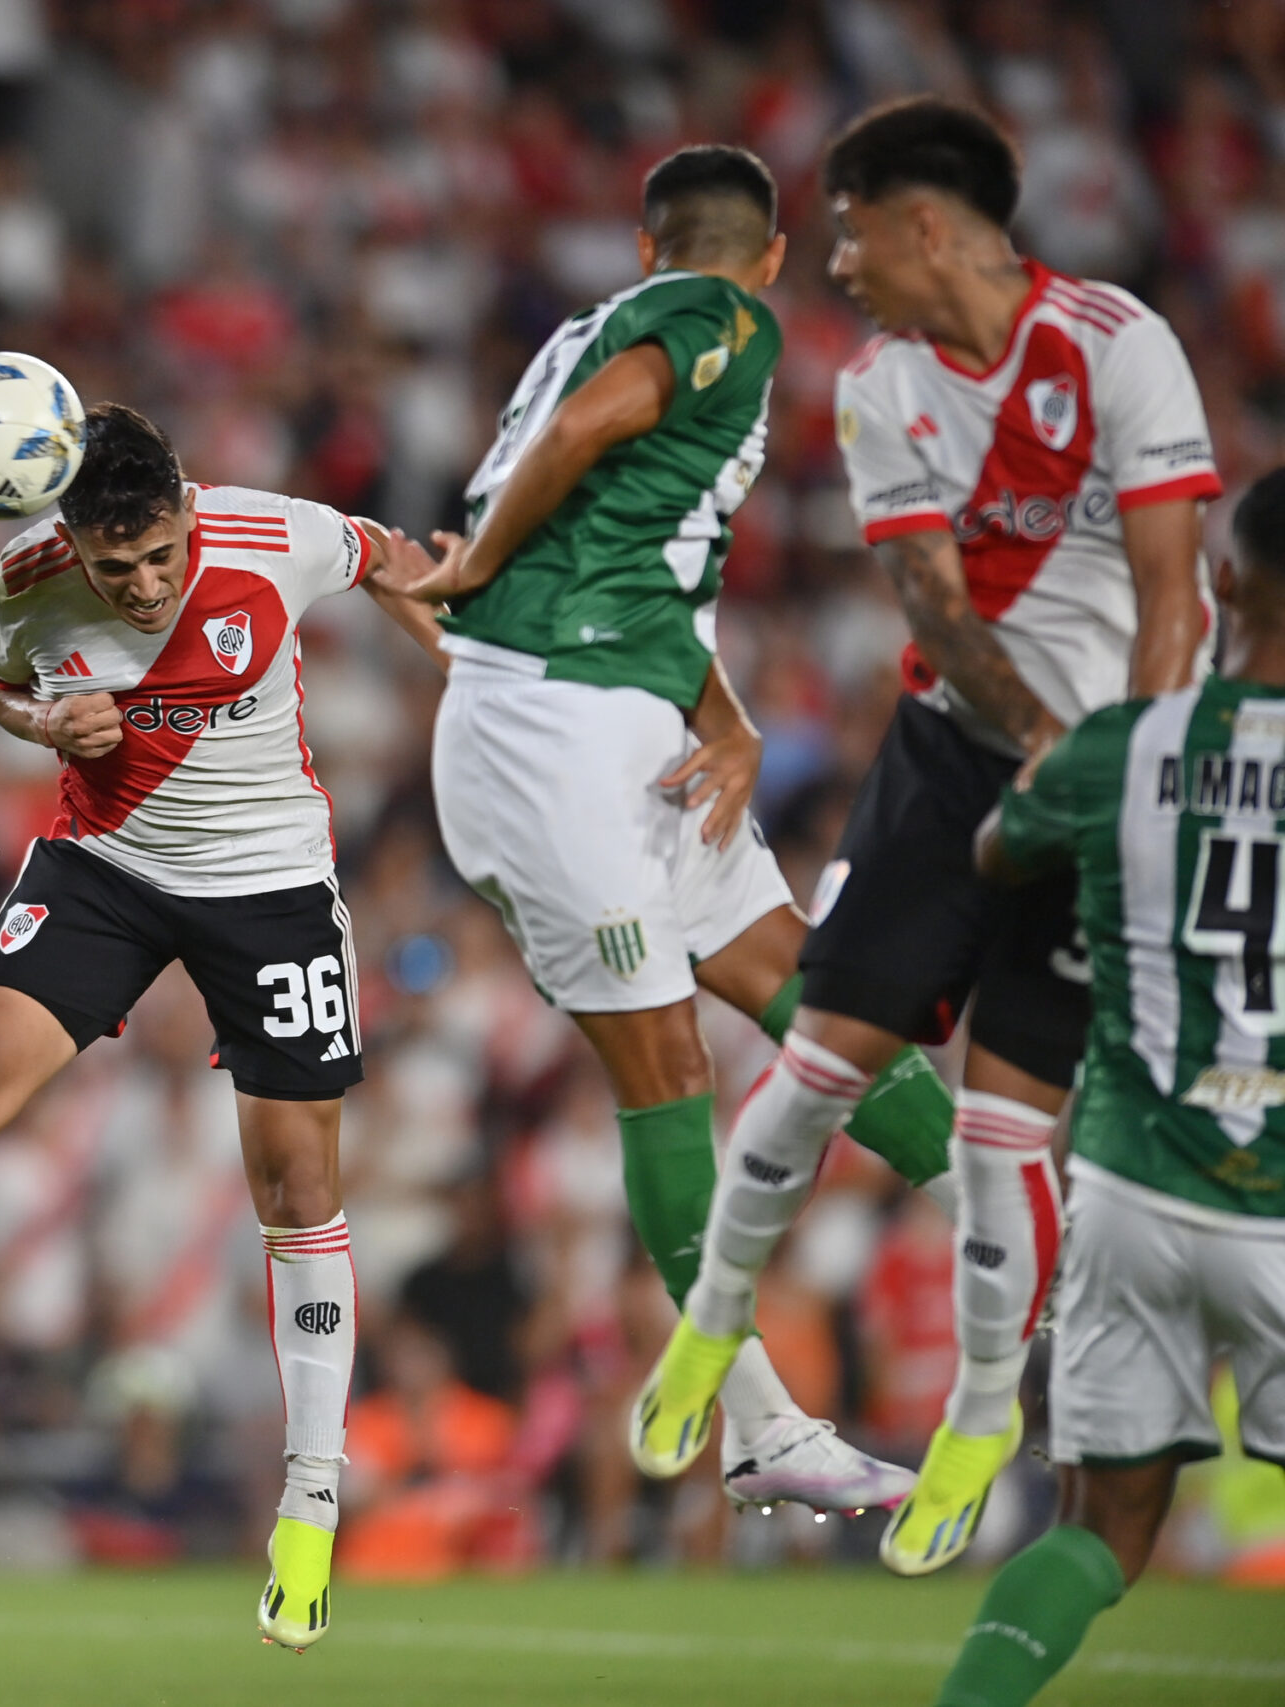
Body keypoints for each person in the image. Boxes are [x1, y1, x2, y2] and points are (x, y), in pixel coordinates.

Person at [0, 402, 435, 1651]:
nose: (146, 586)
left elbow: (388, 557)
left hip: (267, 878)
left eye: (161, 555)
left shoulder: (276, 534)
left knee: (297, 1181)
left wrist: (459, 642)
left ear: (189, 511)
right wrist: (47, 724)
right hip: (103, 862)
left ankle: (310, 1501)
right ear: (72, 543)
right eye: (119, 569)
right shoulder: (24, 581)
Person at [630, 99, 1222, 1579]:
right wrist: (1045, 761)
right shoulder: (886, 385)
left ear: (926, 226)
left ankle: (974, 1427)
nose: (831, 262)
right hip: (955, 755)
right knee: (823, 1061)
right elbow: (939, 614)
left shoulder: (1120, 346)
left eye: (846, 229)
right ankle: (709, 1336)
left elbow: (1173, 592)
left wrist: (1128, 777)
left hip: (1100, 764)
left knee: (1004, 1125)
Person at [373, 143, 951, 1515]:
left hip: (625, 716)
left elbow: (629, 553)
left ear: (644, 245)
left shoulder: (605, 323)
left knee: (815, 993)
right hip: (550, 728)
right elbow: (577, 449)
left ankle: (1032, 1233)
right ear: (765, 260)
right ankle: (752, 1413)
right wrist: (476, 564)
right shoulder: (724, 321)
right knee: (666, 1058)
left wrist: (732, 716)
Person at [928, 466, 1285, 1707]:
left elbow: (994, 850)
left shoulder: (1121, 750)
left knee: (1096, 1529)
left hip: (1134, 1185)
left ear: (1220, 580)